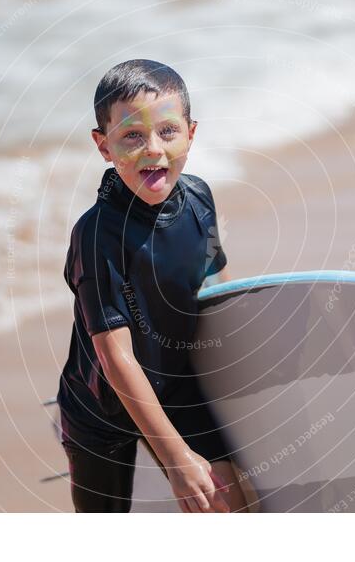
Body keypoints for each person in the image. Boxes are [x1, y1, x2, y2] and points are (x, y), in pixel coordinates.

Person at [56, 59, 248, 513]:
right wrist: (177, 457)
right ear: (104, 147)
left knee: (229, 507)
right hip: (100, 413)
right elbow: (115, 356)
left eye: (167, 131)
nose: (153, 150)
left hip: (177, 385)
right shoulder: (98, 234)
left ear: (191, 133)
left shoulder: (199, 198)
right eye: (132, 137)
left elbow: (214, 288)